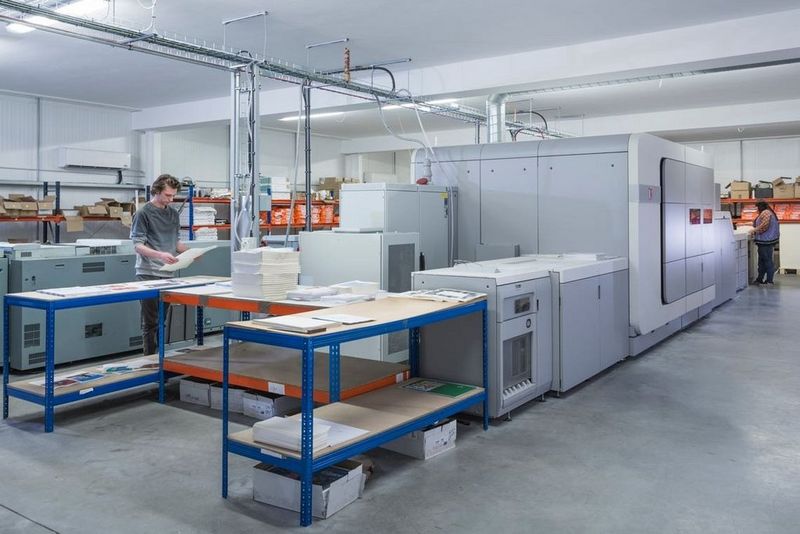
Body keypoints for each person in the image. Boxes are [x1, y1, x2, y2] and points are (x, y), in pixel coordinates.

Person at [130, 174, 188, 354]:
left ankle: (161, 357)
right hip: (148, 272)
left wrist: (189, 253)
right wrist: (160, 255)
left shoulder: (172, 213)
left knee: (161, 320)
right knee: (150, 321)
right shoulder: (143, 213)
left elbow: (175, 242)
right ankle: (150, 358)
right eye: (167, 195)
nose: (171, 200)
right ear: (157, 191)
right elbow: (138, 245)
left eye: (173, 196)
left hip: (167, 272)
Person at [749, 200, 780, 285]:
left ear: (760, 207)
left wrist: (754, 230)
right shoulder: (769, 212)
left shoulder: (766, 212)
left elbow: (764, 225)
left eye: (757, 208)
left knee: (767, 261)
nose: (756, 210)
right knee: (762, 261)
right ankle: (760, 279)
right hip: (766, 240)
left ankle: (769, 280)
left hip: (765, 241)